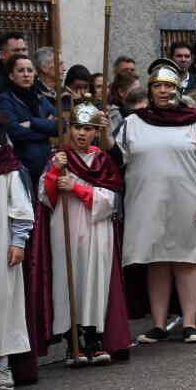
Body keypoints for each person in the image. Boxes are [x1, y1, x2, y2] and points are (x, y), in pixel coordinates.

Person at [119, 59, 196, 344]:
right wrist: (104, 133)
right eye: (158, 86)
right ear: (150, 90)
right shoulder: (132, 123)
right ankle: (159, 324)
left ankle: (189, 323)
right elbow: (115, 160)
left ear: (177, 89)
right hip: (147, 201)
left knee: (186, 259)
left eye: (168, 86)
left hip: (188, 200)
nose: (163, 91)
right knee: (156, 260)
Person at [38, 101, 130, 364]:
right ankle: (73, 341)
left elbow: (112, 200)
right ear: (69, 128)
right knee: (69, 278)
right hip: (65, 225)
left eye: (88, 128)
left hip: (97, 226)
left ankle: (95, 337)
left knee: (95, 277)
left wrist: (78, 189)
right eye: (77, 127)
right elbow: (46, 198)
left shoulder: (103, 160)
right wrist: (56, 173)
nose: (81, 133)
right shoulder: (59, 158)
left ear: (95, 132)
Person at [0, 112, 32, 390]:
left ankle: (1, 365)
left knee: (1, 302)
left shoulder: (3, 160)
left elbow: (18, 203)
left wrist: (18, 240)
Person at [0, 55, 56, 188]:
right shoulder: (5, 99)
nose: (26, 74)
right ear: (11, 75)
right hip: (22, 167)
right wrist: (47, 129)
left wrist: (33, 123)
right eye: (21, 70)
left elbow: (61, 126)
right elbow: (15, 132)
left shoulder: (39, 96)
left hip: (47, 166)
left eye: (29, 70)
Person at [0, 31, 29, 97]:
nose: (21, 54)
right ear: (2, 54)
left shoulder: (31, 73)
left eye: (24, 50)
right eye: (16, 50)